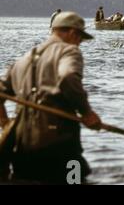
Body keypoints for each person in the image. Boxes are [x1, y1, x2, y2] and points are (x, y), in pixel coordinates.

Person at [0, 11, 102, 183]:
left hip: (22, 148)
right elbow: (68, 77)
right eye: (80, 39)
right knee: (76, 180)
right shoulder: (69, 51)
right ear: (72, 33)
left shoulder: (23, 59)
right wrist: (86, 113)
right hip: (61, 145)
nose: (79, 44)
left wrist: (5, 124)